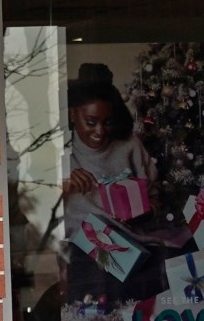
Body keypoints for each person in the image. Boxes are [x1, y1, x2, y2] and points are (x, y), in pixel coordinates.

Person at [60, 63, 152, 214]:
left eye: (108, 122)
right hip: (75, 234)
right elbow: (33, 197)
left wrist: (146, 209)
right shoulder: (59, 148)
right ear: (72, 115)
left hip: (124, 232)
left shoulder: (129, 145)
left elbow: (153, 196)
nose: (100, 131)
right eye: (91, 122)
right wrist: (62, 184)